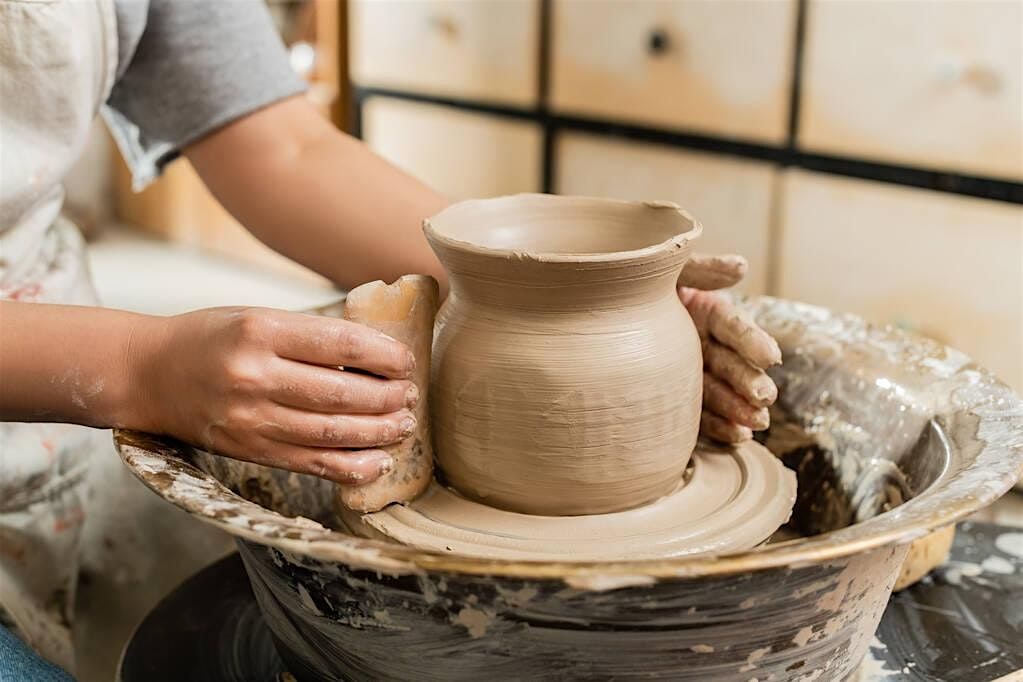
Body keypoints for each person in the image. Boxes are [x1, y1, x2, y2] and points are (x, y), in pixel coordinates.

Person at [0, 0, 780, 677]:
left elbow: (283, 147)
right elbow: (136, 368)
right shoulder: (127, 367)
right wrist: (139, 367)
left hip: (44, 442)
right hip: (65, 374)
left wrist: (561, 297)